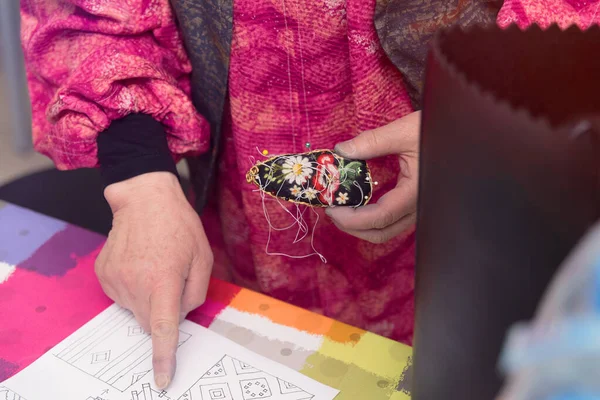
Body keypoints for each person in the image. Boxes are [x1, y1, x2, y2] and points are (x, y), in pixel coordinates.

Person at [20, 0, 593, 389]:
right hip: (232, 203)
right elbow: (88, 11)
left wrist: (488, 114)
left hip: (474, 183)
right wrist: (140, 178)